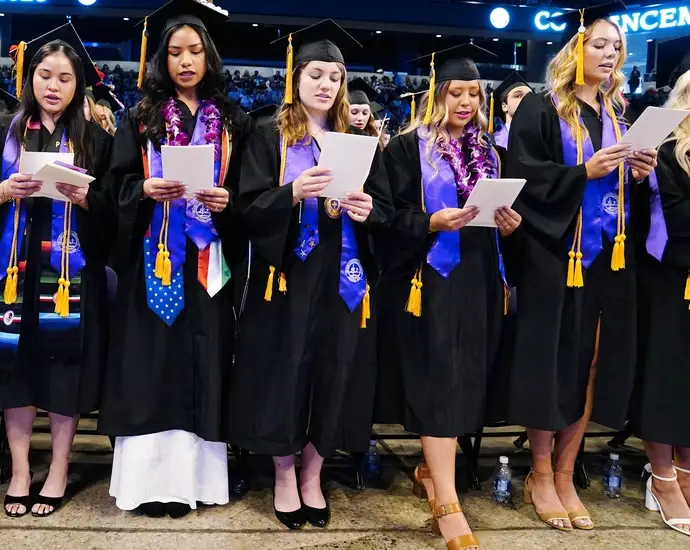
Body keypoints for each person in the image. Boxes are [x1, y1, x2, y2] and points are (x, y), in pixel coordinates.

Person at [228, 19, 391, 530]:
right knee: (286, 369)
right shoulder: (267, 135)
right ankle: (283, 472)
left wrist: (369, 209)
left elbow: (386, 208)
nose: (326, 84)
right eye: (316, 74)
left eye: (335, 77)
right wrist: (292, 193)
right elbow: (245, 208)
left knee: (335, 369)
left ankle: (313, 473)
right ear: (295, 76)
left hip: (343, 277)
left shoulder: (358, 140)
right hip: (287, 276)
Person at [504, 4, 658, 531]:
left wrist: (638, 174)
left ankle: (567, 472)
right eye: (599, 44)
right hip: (555, 255)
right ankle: (540, 473)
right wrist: (582, 172)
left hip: (609, 256)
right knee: (552, 362)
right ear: (575, 49)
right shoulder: (542, 108)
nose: (610, 54)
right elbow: (525, 176)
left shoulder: (618, 116)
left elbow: (626, 194)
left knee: (591, 362)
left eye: (616, 47)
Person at [0, 22, 114, 519]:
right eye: (45, 75)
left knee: (64, 373)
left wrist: (87, 199)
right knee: (15, 371)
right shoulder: (0, 131)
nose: (53, 86)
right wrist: (2, 190)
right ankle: (21, 470)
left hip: (69, 276)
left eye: (65, 78)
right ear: (30, 79)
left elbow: (117, 207)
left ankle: (60, 467)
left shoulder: (95, 140)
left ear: (78, 86)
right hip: (11, 273)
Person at [99, 0, 251, 519]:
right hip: (154, 257)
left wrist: (229, 201)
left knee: (202, 362)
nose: (185, 61)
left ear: (209, 56)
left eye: (195, 51)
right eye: (175, 52)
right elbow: (113, 185)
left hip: (208, 259)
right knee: (149, 366)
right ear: (162, 59)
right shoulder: (140, 117)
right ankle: (146, 484)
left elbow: (250, 192)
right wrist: (142, 188)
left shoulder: (233, 120)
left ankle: (194, 483)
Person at [382, 43, 518, 550]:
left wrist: (510, 225)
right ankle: (447, 499)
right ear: (436, 95)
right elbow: (386, 217)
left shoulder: (493, 153)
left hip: (480, 280)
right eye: (456, 92)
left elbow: (501, 221)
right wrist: (430, 222)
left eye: (474, 94)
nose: (466, 102)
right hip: (429, 281)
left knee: (466, 380)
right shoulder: (404, 149)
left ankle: (430, 470)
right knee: (439, 380)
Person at [632, 54, 690, 538]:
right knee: (666, 376)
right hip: (672, 277)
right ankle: (663, 475)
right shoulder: (665, 151)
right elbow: (673, 218)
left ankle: (687, 469)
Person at [490, 71, 532, 149]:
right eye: (518, 96)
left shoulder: (543, 141)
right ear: (504, 106)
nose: (526, 99)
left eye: (530, 96)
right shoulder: (491, 142)